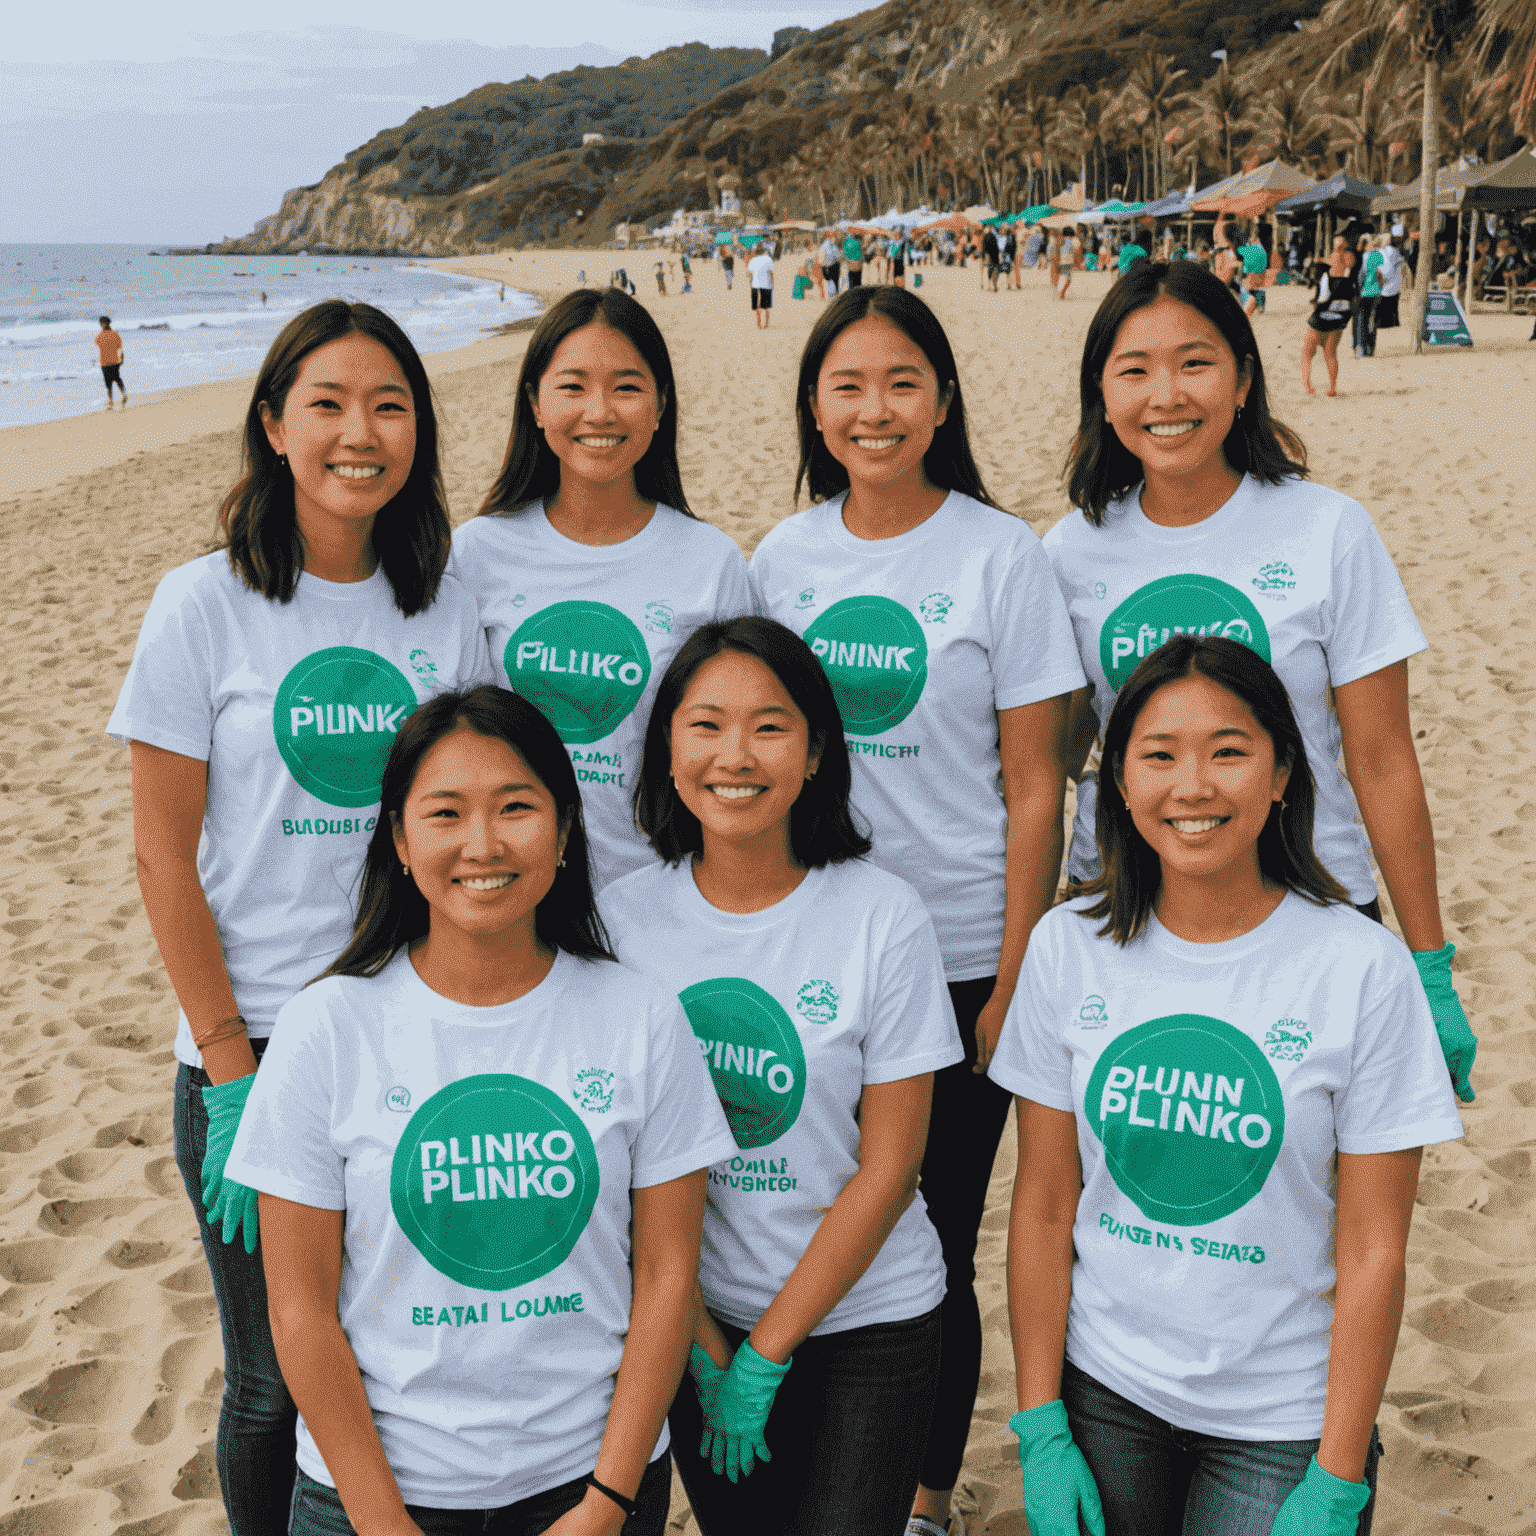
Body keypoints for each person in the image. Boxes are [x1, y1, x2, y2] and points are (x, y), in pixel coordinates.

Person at [107, 300, 495, 1536]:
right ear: (274, 425)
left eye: (389, 406)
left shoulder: (443, 604)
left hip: (412, 1034)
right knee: (275, 1379)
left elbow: (476, 822)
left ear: (419, 433)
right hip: (259, 1047)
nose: (358, 434)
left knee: (381, 1356)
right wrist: (227, 1068)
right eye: (326, 404)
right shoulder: (199, 604)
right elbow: (164, 859)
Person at [226, 685, 736, 1536]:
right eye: (445, 813)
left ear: (567, 831)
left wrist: (607, 1504)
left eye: (516, 808)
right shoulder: (328, 1024)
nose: (483, 845)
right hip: (375, 1499)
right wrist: (385, 1527)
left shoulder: (639, 1015)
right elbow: (299, 1310)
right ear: (397, 838)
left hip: (586, 1488)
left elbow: (667, 1276)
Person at [991, 635, 1463, 1536]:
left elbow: (1373, 1251)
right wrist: (1040, 1425)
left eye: (1229, 751)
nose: (1193, 786)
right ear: (1120, 785)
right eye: (1159, 755)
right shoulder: (1067, 947)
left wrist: (1336, 1474)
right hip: (1103, 1394)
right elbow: (1046, 1203)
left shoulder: (1361, 969)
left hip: (1281, 1424)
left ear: (1283, 773)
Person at [747, 287, 1086, 1536]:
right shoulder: (780, 561)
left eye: (900, 383)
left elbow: (1036, 785)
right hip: (811, 946)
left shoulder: (1002, 556)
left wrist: (1011, 978)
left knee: (931, 1239)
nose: (873, 409)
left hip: (954, 957)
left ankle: (925, 1500)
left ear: (942, 401)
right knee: (804, 1209)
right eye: (847, 386)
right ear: (816, 408)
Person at [1045, 259, 1477, 1107]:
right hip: (1126, 910)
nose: (1166, 394)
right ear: (1102, 394)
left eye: (1195, 363)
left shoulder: (1328, 530)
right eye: (1134, 370)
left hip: (1312, 900)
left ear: (1243, 379)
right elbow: (1055, 757)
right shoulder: (1067, 552)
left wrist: (1429, 965)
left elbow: (1383, 758)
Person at [603, 618, 962, 1534]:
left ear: (815, 756)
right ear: (667, 749)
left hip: (870, 1320)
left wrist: (765, 1355)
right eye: (705, 725)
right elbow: (628, 1168)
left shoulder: (883, 917)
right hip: (700, 1321)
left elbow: (891, 1169)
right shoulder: (623, 923)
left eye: (770, 726)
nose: (736, 755)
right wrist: (707, 1344)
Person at [448, 289, 752, 892]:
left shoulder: (710, 560)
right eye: (573, 386)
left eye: (628, 387)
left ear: (661, 405)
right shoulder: (477, 552)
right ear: (534, 403)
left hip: (659, 887)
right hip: (513, 892)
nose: (600, 411)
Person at [1304, 236, 1356, 396]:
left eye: (1339, 248)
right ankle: (1332, 387)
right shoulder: (1348, 283)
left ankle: (1307, 386)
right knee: (1331, 354)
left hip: (1321, 319)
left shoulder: (1326, 278)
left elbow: (1321, 300)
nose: (1337, 252)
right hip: (1338, 319)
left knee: (1307, 352)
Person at [1357, 234, 1385, 358]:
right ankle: (1371, 348)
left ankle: (1363, 349)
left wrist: (1359, 288)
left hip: (1365, 292)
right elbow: (1385, 274)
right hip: (1377, 292)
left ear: (1368, 245)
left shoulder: (1365, 256)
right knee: (1373, 321)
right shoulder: (1380, 255)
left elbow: (1361, 275)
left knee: (1363, 321)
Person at [95, 316, 127, 409]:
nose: (100, 325)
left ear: (103, 324)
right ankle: (124, 395)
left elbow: (97, 343)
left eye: (101, 323)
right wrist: (122, 359)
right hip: (115, 361)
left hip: (105, 362)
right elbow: (120, 347)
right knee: (117, 379)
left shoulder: (100, 336)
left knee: (108, 382)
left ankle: (110, 400)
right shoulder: (115, 334)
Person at [1376, 238, 1404, 332]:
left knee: (1385, 303)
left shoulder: (1387, 251)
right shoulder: (1394, 251)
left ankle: (1384, 324)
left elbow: (1387, 270)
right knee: (1392, 303)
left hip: (1388, 282)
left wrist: (1383, 278)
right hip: (1394, 282)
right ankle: (1391, 322)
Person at [748, 244, 776, 328]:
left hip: (755, 285)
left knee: (757, 306)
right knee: (766, 306)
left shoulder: (752, 260)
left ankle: (759, 324)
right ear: (764, 252)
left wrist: (751, 284)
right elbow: (771, 273)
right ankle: (766, 324)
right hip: (766, 284)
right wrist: (772, 284)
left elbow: (750, 274)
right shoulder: (768, 259)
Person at [1058, 227, 1079, 300]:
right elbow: (1077, 250)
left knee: (1064, 276)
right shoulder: (1074, 240)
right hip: (1069, 262)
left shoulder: (1061, 239)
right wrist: (1077, 262)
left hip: (1062, 261)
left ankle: (1061, 292)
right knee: (1067, 279)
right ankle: (1062, 292)